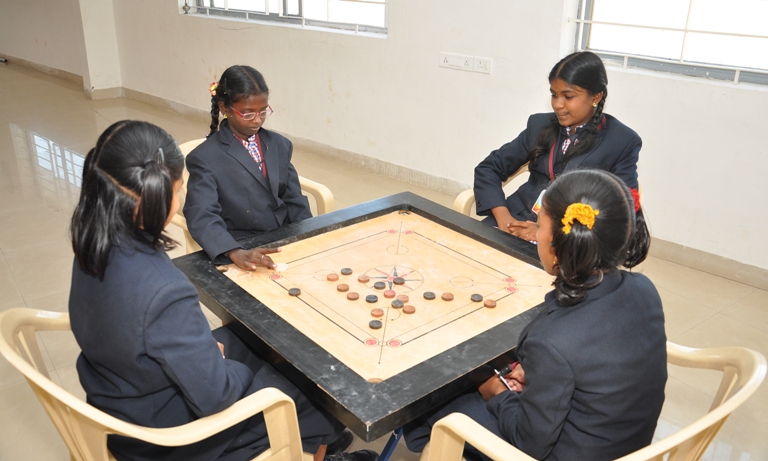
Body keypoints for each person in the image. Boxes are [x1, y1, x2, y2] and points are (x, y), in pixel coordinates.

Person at [69, 120, 377, 461]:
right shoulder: (165, 289)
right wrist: (219, 363)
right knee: (320, 386)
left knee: (253, 339)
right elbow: (216, 397)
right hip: (169, 436)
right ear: (157, 197)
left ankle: (320, 439)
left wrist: (203, 353)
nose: (180, 200)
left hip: (120, 400)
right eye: (178, 190)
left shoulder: (93, 241)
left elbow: (149, 330)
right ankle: (316, 443)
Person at [403, 169, 666, 461]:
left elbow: (529, 443)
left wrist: (498, 392)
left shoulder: (552, 341)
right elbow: (596, 359)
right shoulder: (643, 289)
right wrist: (537, 373)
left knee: (440, 400)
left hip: (551, 451)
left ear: (559, 246)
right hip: (622, 445)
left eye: (539, 226)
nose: (535, 233)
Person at [474, 51, 641, 243]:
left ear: (596, 97)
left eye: (568, 96)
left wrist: (551, 233)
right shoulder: (539, 125)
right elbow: (488, 169)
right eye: (554, 95)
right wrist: (504, 218)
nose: (557, 105)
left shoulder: (621, 141)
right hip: (515, 220)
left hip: (570, 236)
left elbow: (623, 210)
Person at [184, 65, 312, 269]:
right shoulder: (205, 158)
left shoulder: (279, 144)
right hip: (242, 246)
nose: (258, 120)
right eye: (248, 113)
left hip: (284, 238)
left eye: (263, 111)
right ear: (224, 108)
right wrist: (234, 251)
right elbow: (202, 215)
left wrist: (309, 235)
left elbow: (293, 199)